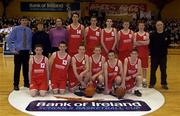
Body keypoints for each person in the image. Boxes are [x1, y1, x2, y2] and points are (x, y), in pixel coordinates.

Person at [6, 16, 32, 90]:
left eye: (25, 20)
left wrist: (30, 49)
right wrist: (12, 49)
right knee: (17, 69)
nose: (24, 21)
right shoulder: (16, 29)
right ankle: (16, 84)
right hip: (18, 52)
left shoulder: (29, 30)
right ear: (20, 21)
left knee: (26, 69)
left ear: (27, 22)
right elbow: (8, 39)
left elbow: (30, 41)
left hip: (26, 52)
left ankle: (26, 83)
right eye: (23, 20)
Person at [149, 21, 171, 89]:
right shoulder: (152, 35)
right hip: (154, 56)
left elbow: (168, 44)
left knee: (163, 70)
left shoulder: (166, 34)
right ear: (156, 26)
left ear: (163, 26)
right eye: (158, 25)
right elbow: (150, 45)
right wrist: (150, 55)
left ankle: (164, 83)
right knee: (153, 70)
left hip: (163, 56)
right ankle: (152, 83)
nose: (160, 26)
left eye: (161, 24)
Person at [134, 22, 149, 88]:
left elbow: (147, 43)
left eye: (142, 25)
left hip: (145, 53)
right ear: (138, 26)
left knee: (144, 67)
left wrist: (139, 42)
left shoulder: (147, 34)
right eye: (140, 25)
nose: (141, 26)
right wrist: (143, 42)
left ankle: (144, 80)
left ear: (144, 26)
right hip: (137, 53)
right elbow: (134, 43)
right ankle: (136, 80)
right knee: (136, 67)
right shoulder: (135, 34)